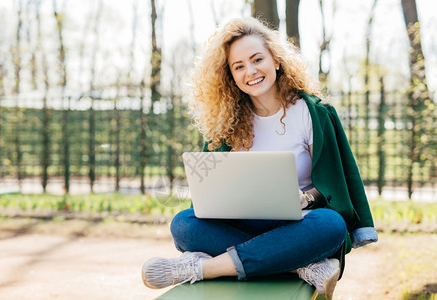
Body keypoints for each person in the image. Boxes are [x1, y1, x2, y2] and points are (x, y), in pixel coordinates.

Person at [141, 17, 378, 299]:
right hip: (245, 224)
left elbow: (333, 182)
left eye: (257, 59)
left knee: (331, 225)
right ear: (230, 75)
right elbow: (208, 193)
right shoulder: (225, 123)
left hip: (298, 225)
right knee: (183, 224)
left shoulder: (311, 112)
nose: (250, 71)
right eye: (238, 66)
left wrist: (305, 199)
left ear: (276, 60)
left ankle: (203, 268)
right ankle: (300, 267)